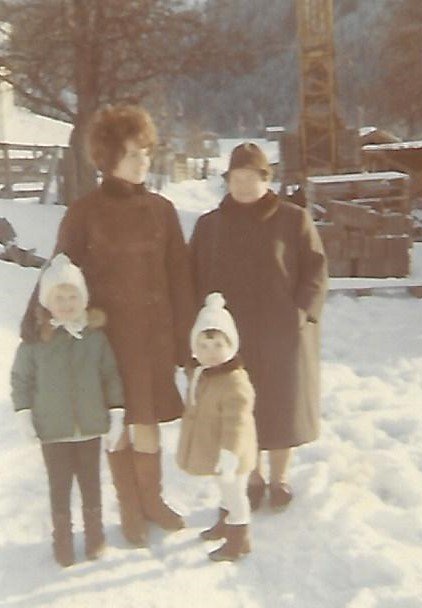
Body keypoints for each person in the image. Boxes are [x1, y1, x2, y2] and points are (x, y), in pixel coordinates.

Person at [20, 104, 195, 547]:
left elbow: (180, 279)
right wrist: (34, 322)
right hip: (108, 342)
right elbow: (59, 269)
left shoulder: (163, 210)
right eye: (134, 154)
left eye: (146, 153)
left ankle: (152, 501)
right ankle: (130, 508)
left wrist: (185, 343)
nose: (143, 162)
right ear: (109, 157)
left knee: (148, 422)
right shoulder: (85, 212)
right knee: (119, 426)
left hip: (153, 339)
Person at [190, 142, 328, 512]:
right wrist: (203, 325)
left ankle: (279, 478)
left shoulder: (293, 219)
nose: (244, 185)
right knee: (240, 409)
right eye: (237, 178)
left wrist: (302, 313)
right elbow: (194, 276)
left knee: (282, 407)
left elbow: (316, 270)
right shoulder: (209, 226)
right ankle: (252, 476)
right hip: (230, 336)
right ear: (227, 180)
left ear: (267, 179)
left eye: (252, 178)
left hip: (283, 333)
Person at [11, 254, 125, 567]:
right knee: (59, 487)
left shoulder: (95, 338)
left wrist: (116, 413)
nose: (66, 304)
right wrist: (24, 415)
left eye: (73, 297)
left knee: (91, 484)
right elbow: (21, 379)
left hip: (90, 427)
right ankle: (62, 538)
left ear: (83, 299)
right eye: (59, 298)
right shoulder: (35, 342)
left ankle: (94, 535)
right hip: (54, 430)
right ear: (47, 302)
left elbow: (110, 376)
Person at [176, 292, 257, 561]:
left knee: (235, 493)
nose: (210, 354)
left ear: (231, 346)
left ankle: (239, 539)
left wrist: (230, 454)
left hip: (233, 453)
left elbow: (237, 422)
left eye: (218, 346)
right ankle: (224, 522)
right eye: (204, 346)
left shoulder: (234, 382)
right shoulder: (204, 374)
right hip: (219, 450)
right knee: (224, 488)